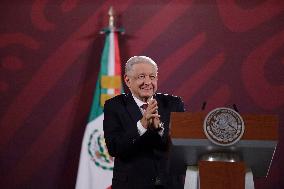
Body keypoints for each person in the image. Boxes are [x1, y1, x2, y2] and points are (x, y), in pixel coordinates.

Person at [103, 56, 185, 189]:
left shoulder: (173, 104)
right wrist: (142, 125)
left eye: (152, 77)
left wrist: (160, 130)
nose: (148, 82)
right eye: (141, 76)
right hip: (131, 185)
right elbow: (114, 148)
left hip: (168, 184)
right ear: (127, 80)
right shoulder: (114, 106)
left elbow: (181, 147)